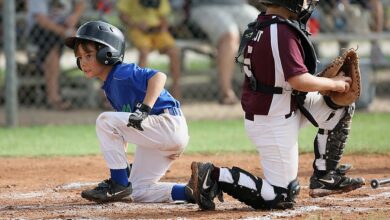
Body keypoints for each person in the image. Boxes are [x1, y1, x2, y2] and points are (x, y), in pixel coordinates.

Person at [187, 0, 365, 211]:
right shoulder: (280, 31)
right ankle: (214, 175)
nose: (306, 3)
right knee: (282, 196)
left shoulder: (265, 23)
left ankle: (325, 176)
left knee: (339, 106)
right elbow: (298, 80)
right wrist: (332, 83)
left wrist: (327, 87)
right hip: (272, 121)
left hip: (286, 105)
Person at [64, 20, 193, 204]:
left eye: (89, 55)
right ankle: (192, 192)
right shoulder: (110, 87)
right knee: (137, 190)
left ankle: (118, 184)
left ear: (107, 53)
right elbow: (119, 132)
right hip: (160, 133)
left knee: (104, 120)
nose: (83, 62)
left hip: (165, 122)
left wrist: (145, 109)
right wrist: (122, 166)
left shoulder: (121, 73)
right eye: (80, 57)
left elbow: (158, 76)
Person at [188, 0, 260, 105]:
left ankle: (262, 88)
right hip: (206, 6)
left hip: (240, 6)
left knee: (265, 30)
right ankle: (226, 92)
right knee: (229, 35)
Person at [26, 0, 85, 110]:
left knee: (95, 41)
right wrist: (65, 32)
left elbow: (80, 4)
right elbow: (41, 20)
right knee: (53, 50)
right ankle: (53, 98)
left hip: (67, 25)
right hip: (43, 29)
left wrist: (75, 16)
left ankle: (106, 96)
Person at [117, 0, 182, 99]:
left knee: (174, 52)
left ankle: (176, 88)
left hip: (157, 30)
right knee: (144, 52)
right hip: (138, 30)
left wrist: (162, 27)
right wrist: (136, 24)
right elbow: (122, 15)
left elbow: (164, 18)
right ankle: (140, 90)